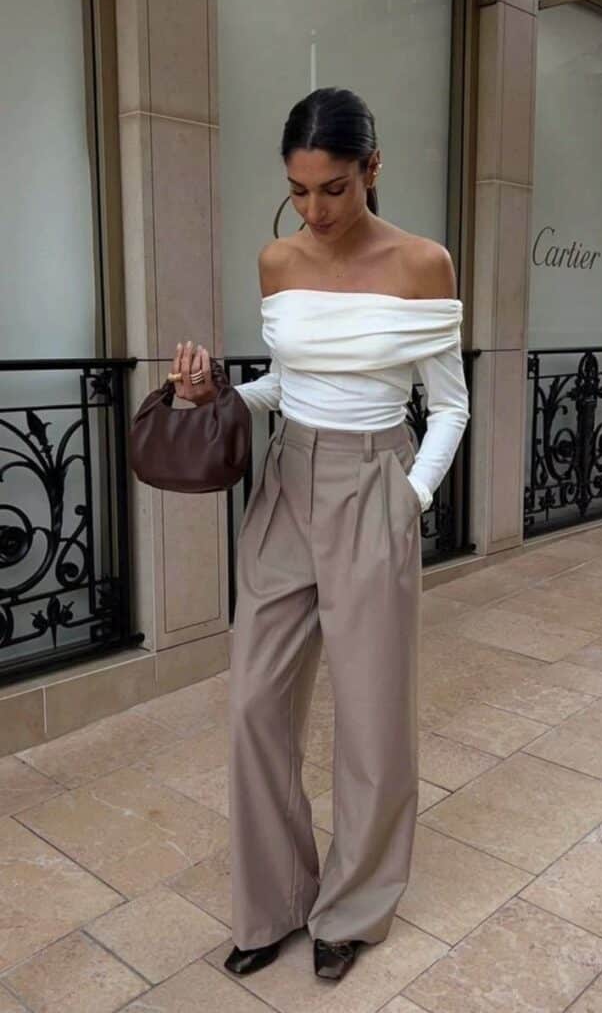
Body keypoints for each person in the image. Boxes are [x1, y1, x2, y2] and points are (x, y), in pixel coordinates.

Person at [169, 87, 470, 982]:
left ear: (372, 169)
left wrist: (408, 500)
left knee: (373, 720)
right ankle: (274, 903)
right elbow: (285, 385)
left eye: (333, 188)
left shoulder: (424, 264)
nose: (314, 209)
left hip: (376, 481)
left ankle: (354, 908)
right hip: (285, 487)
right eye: (299, 190)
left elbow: (449, 405)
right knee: (256, 704)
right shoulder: (277, 260)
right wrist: (218, 393)